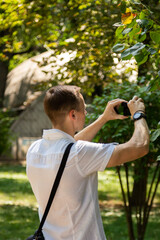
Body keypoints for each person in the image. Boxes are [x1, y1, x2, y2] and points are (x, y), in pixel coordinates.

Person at [26, 85, 149, 240]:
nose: (85, 113)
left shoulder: (34, 150)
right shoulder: (78, 154)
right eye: (83, 109)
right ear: (73, 115)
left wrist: (103, 118)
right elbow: (139, 147)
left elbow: (68, 147)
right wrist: (139, 114)